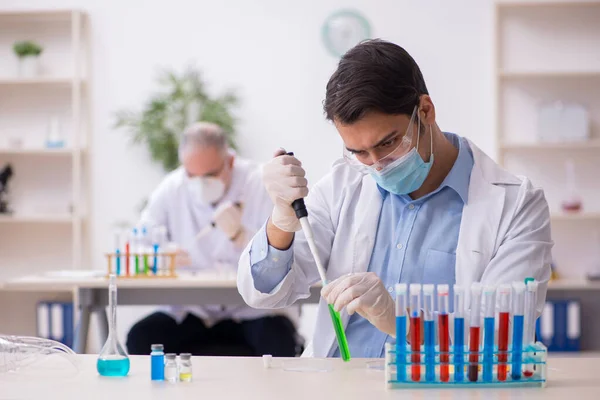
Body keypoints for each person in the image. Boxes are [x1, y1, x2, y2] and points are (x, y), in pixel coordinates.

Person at [237, 40, 553, 358]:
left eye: (389, 143)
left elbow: (503, 339)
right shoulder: (341, 187)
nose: (376, 163)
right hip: (338, 384)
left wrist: (400, 322)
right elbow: (264, 295)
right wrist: (281, 220)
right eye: (358, 152)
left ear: (425, 111)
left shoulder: (516, 205)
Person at [126, 122, 298, 357]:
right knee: (141, 337)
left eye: (209, 175)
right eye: (192, 175)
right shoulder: (172, 188)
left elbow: (288, 253)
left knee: (278, 341)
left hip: (252, 312)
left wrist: (241, 236)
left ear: (230, 161)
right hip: (192, 311)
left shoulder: (259, 184)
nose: (200, 184)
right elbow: (139, 243)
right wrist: (163, 254)